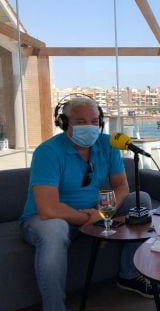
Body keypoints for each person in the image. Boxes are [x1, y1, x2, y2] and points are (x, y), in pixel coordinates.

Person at [20, 96, 153, 311]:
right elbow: (48, 209)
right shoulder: (48, 152)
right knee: (55, 228)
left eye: (94, 121)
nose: (89, 127)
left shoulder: (108, 145)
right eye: (81, 122)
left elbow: (122, 187)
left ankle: (128, 274)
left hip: (95, 213)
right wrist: (93, 220)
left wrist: (103, 215)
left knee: (141, 200)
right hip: (48, 220)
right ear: (65, 123)